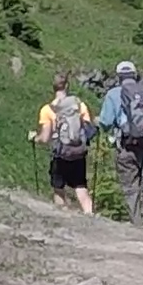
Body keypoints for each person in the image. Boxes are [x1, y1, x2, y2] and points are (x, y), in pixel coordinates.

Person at [97, 60, 143, 225]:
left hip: (125, 144)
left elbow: (105, 122)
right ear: (135, 75)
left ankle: (137, 222)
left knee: (129, 184)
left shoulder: (113, 94)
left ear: (119, 77)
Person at [31, 73, 95, 215]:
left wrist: (36, 138)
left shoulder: (47, 110)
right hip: (78, 152)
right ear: (67, 85)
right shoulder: (80, 105)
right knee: (80, 186)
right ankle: (90, 215)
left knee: (58, 188)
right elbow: (89, 129)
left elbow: (45, 137)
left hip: (60, 154)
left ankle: (63, 215)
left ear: (53, 88)